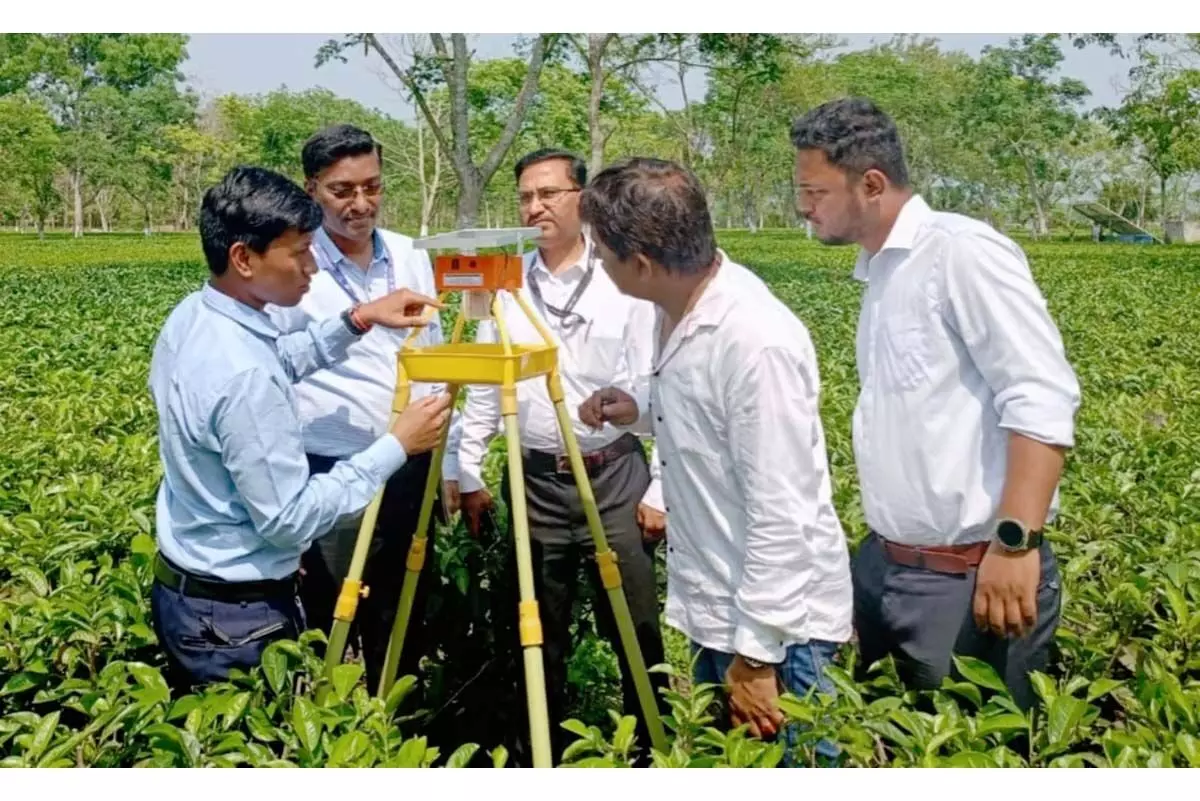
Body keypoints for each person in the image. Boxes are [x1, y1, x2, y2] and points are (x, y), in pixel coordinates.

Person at [789, 97, 1081, 711]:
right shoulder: (880, 268)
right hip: (887, 564)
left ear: (870, 184)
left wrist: (1014, 545)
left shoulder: (961, 252)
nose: (803, 206)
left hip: (973, 577)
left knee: (974, 751)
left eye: (814, 191)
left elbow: (1040, 396)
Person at [577, 157, 853, 765]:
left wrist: (756, 660)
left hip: (778, 631)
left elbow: (784, 509)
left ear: (642, 263)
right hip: (720, 608)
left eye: (602, 252)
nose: (598, 264)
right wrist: (639, 407)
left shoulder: (754, 341)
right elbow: (707, 416)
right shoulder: (674, 306)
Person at [147, 164, 451, 694]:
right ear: (244, 258)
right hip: (236, 620)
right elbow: (288, 519)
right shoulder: (245, 377)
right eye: (299, 253)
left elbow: (279, 359)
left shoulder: (198, 317)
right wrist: (396, 446)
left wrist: (358, 319)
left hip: (191, 593)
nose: (313, 268)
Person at [447, 148, 668, 763]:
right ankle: (535, 755)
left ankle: (652, 751)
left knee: (634, 626)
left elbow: (661, 385)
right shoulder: (503, 281)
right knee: (533, 629)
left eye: (549, 194)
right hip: (534, 480)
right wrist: (465, 468)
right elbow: (488, 386)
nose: (535, 207)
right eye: (525, 197)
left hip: (615, 476)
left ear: (582, 199)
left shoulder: (625, 277)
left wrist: (660, 492)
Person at [265, 124, 460, 695]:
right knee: (324, 614)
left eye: (372, 187)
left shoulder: (408, 255)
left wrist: (447, 466)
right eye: (341, 191)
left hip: (410, 465)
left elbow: (438, 355)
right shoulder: (296, 264)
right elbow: (273, 373)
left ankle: (392, 727)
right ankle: (323, 733)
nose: (360, 204)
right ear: (312, 189)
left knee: (403, 612)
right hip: (328, 467)